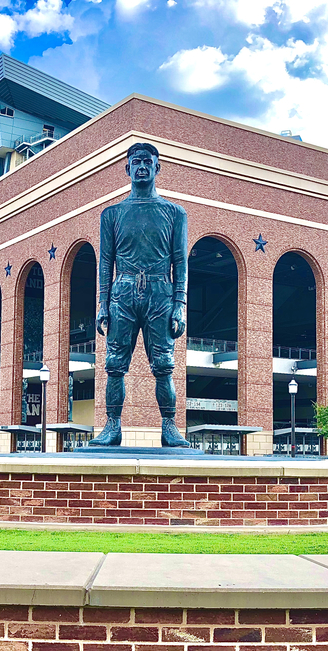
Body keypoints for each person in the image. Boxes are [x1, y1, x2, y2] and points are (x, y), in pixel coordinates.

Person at [90, 142, 190, 448]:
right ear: (128, 168)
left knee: (164, 365)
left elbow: (180, 260)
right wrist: (102, 303)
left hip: (161, 292)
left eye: (148, 161)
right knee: (114, 363)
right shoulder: (112, 214)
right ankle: (112, 426)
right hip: (123, 292)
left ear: (157, 168)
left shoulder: (174, 212)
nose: (142, 166)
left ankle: (169, 427)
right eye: (136, 161)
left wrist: (180, 303)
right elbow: (106, 261)